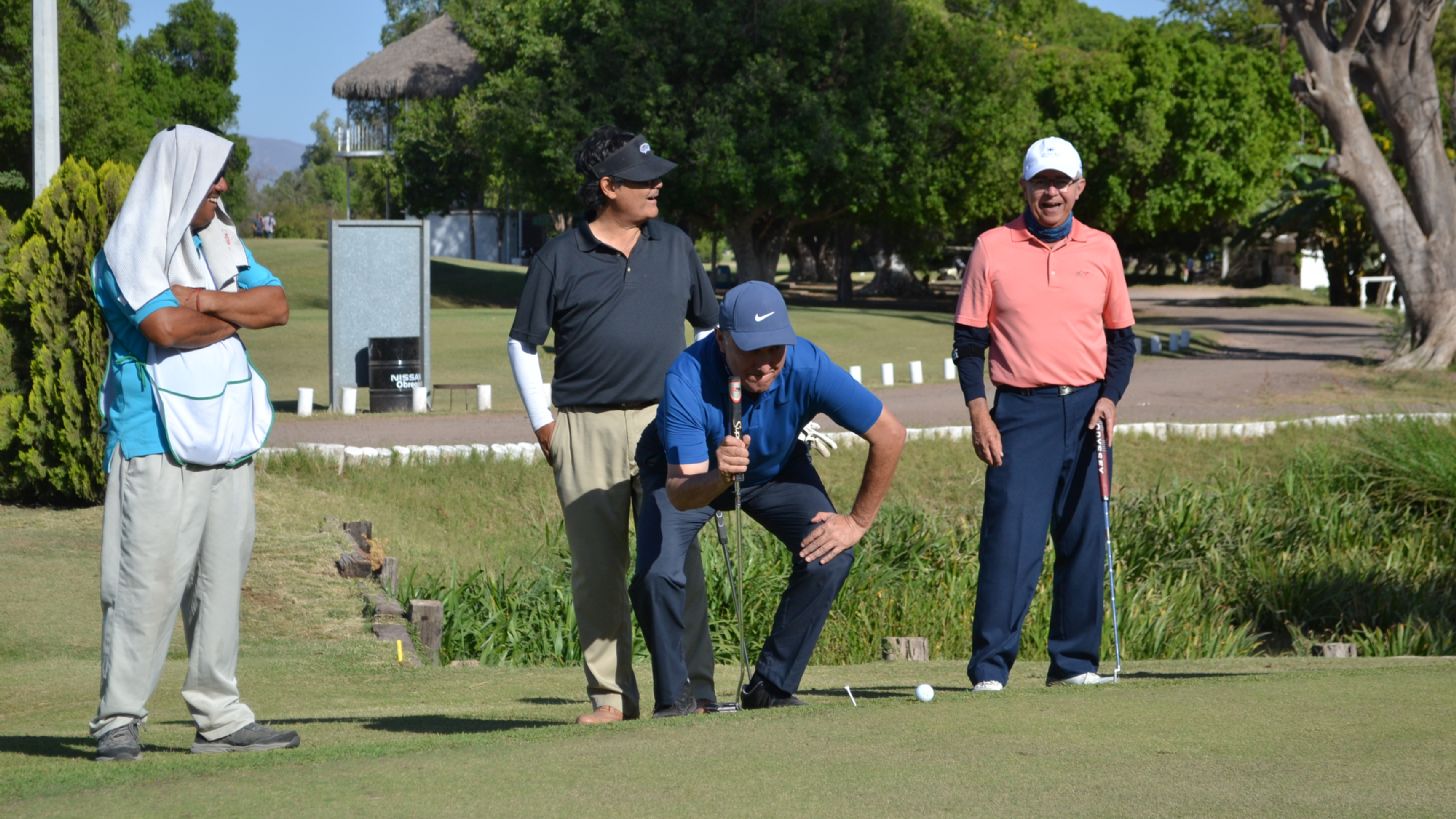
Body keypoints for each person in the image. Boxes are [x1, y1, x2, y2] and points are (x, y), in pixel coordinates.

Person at [89, 125, 295, 761]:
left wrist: (205, 299)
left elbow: (277, 305)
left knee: (220, 583)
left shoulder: (218, 240)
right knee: (143, 584)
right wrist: (233, 314)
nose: (224, 187)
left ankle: (220, 717)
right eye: (213, 177)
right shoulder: (128, 251)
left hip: (227, 439)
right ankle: (118, 719)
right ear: (181, 182)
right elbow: (164, 327)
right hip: (154, 439)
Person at [508, 126, 721, 725]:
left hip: (669, 425)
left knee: (677, 564)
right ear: (608, 186)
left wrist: (699, 405)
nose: (657, 187)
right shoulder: (558, 257)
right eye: (642, 179)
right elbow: (522, 343)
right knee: (597, 572)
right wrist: (544, 425)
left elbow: (708, 326)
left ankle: (695, 690)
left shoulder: (676, 245)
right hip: (584, 429)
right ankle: (611, 697)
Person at [634, 281, 906, 715]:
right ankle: (675, 699)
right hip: (690, 478)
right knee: (657, 575)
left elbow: (890, 434)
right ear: (722, 340)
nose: (765, 363)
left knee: (831, 554)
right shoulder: (685, 377)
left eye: (775, 348)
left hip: (774, 470)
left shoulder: (808, 365)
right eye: (751, 349)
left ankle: (770, 686)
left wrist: (857, 522)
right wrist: (720, 474)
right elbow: (681, 494)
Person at [952, 136, 1136, 691]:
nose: (1050, 192)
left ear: (1079, 188)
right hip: (1019, 413)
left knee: (1084, 539)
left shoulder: (1102, 249)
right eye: (1041, 182)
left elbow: (1122, 341)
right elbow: (968, 343)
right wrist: (979, 412)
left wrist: (1110, 398)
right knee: (1011, 542)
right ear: (1025, 188)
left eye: (1060, 182)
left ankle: (1075, 664)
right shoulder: (992, 247)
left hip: (1087, 412)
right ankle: (990, 670)